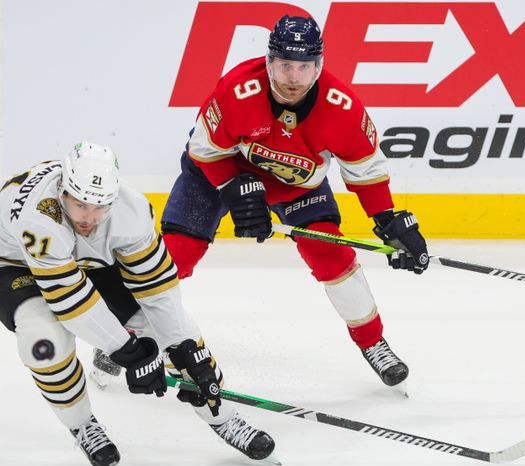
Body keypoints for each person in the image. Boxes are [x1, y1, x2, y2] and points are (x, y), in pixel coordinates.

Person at [0, 142, 275, 466]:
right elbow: (70, 302)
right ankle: (83, 426)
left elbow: (158, 290)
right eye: (80, 204)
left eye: (100, 207)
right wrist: (129, 352)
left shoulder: (131, 210)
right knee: (44, 342)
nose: (89, 217)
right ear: (62, 191)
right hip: (10, 264)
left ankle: (225, 418)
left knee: (173, 333)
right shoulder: (40, 217)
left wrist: (184, 348)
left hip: (83, 259)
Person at [157, 15, 429, 389]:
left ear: (319, 66)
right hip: (217, 172)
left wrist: (387, 221)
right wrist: (234, 187)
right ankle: (132, 334)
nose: (293, 77)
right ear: (269, 62)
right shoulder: (237, 89)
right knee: (173, 255)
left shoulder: (342, 108)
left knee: (331, 256)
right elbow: (204, 149)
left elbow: (365, 170)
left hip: (297, 186)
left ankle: (373, 342)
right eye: (285, 65)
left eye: (304, 66)